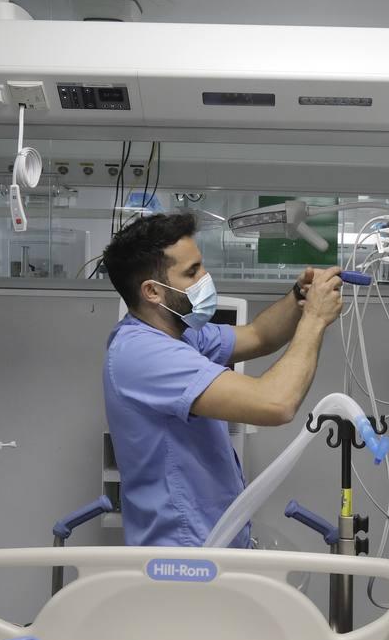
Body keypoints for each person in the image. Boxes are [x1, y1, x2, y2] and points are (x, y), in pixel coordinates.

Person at [101, 211, 343, 548]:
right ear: (152, 291)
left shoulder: (180, 334)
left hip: (213, 547)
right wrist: (315, 318)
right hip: (183, 561)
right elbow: (276, 403)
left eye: (201, 265)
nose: (205, 278)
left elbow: (259, 335)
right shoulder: (142, 354)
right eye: (192, 272)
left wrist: (299, 298)